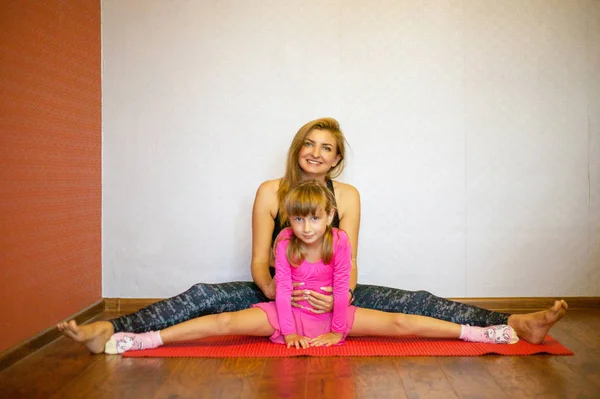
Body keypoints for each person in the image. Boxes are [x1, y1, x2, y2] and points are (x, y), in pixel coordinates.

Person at [57, 117, 567, 354]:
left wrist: (337, 299)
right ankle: (114, 328)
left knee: (416, 301)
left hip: (334, 293)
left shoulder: (347, 198)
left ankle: (514, 322)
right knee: (205, 297)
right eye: (310, 143)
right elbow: (260, 260)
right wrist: (285, 299)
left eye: (327, 148)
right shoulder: (269, 191)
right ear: (298, 148)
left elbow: (351, 261)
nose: (317, 152)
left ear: (337, 159)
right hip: (278, 292)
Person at [100, 180, 518, 354]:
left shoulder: (339, 241)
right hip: (290, 313)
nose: (305, 227)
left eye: (314, 218)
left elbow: (342, 282)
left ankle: (481, 331)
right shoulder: (285, 241)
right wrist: (290, 330)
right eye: (297, 219)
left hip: (333, 310)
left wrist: (338, 330)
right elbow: (281, 289)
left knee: (399, 323)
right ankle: (145, 340)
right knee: (224, 324)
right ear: (289, 218)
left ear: (330, 215)